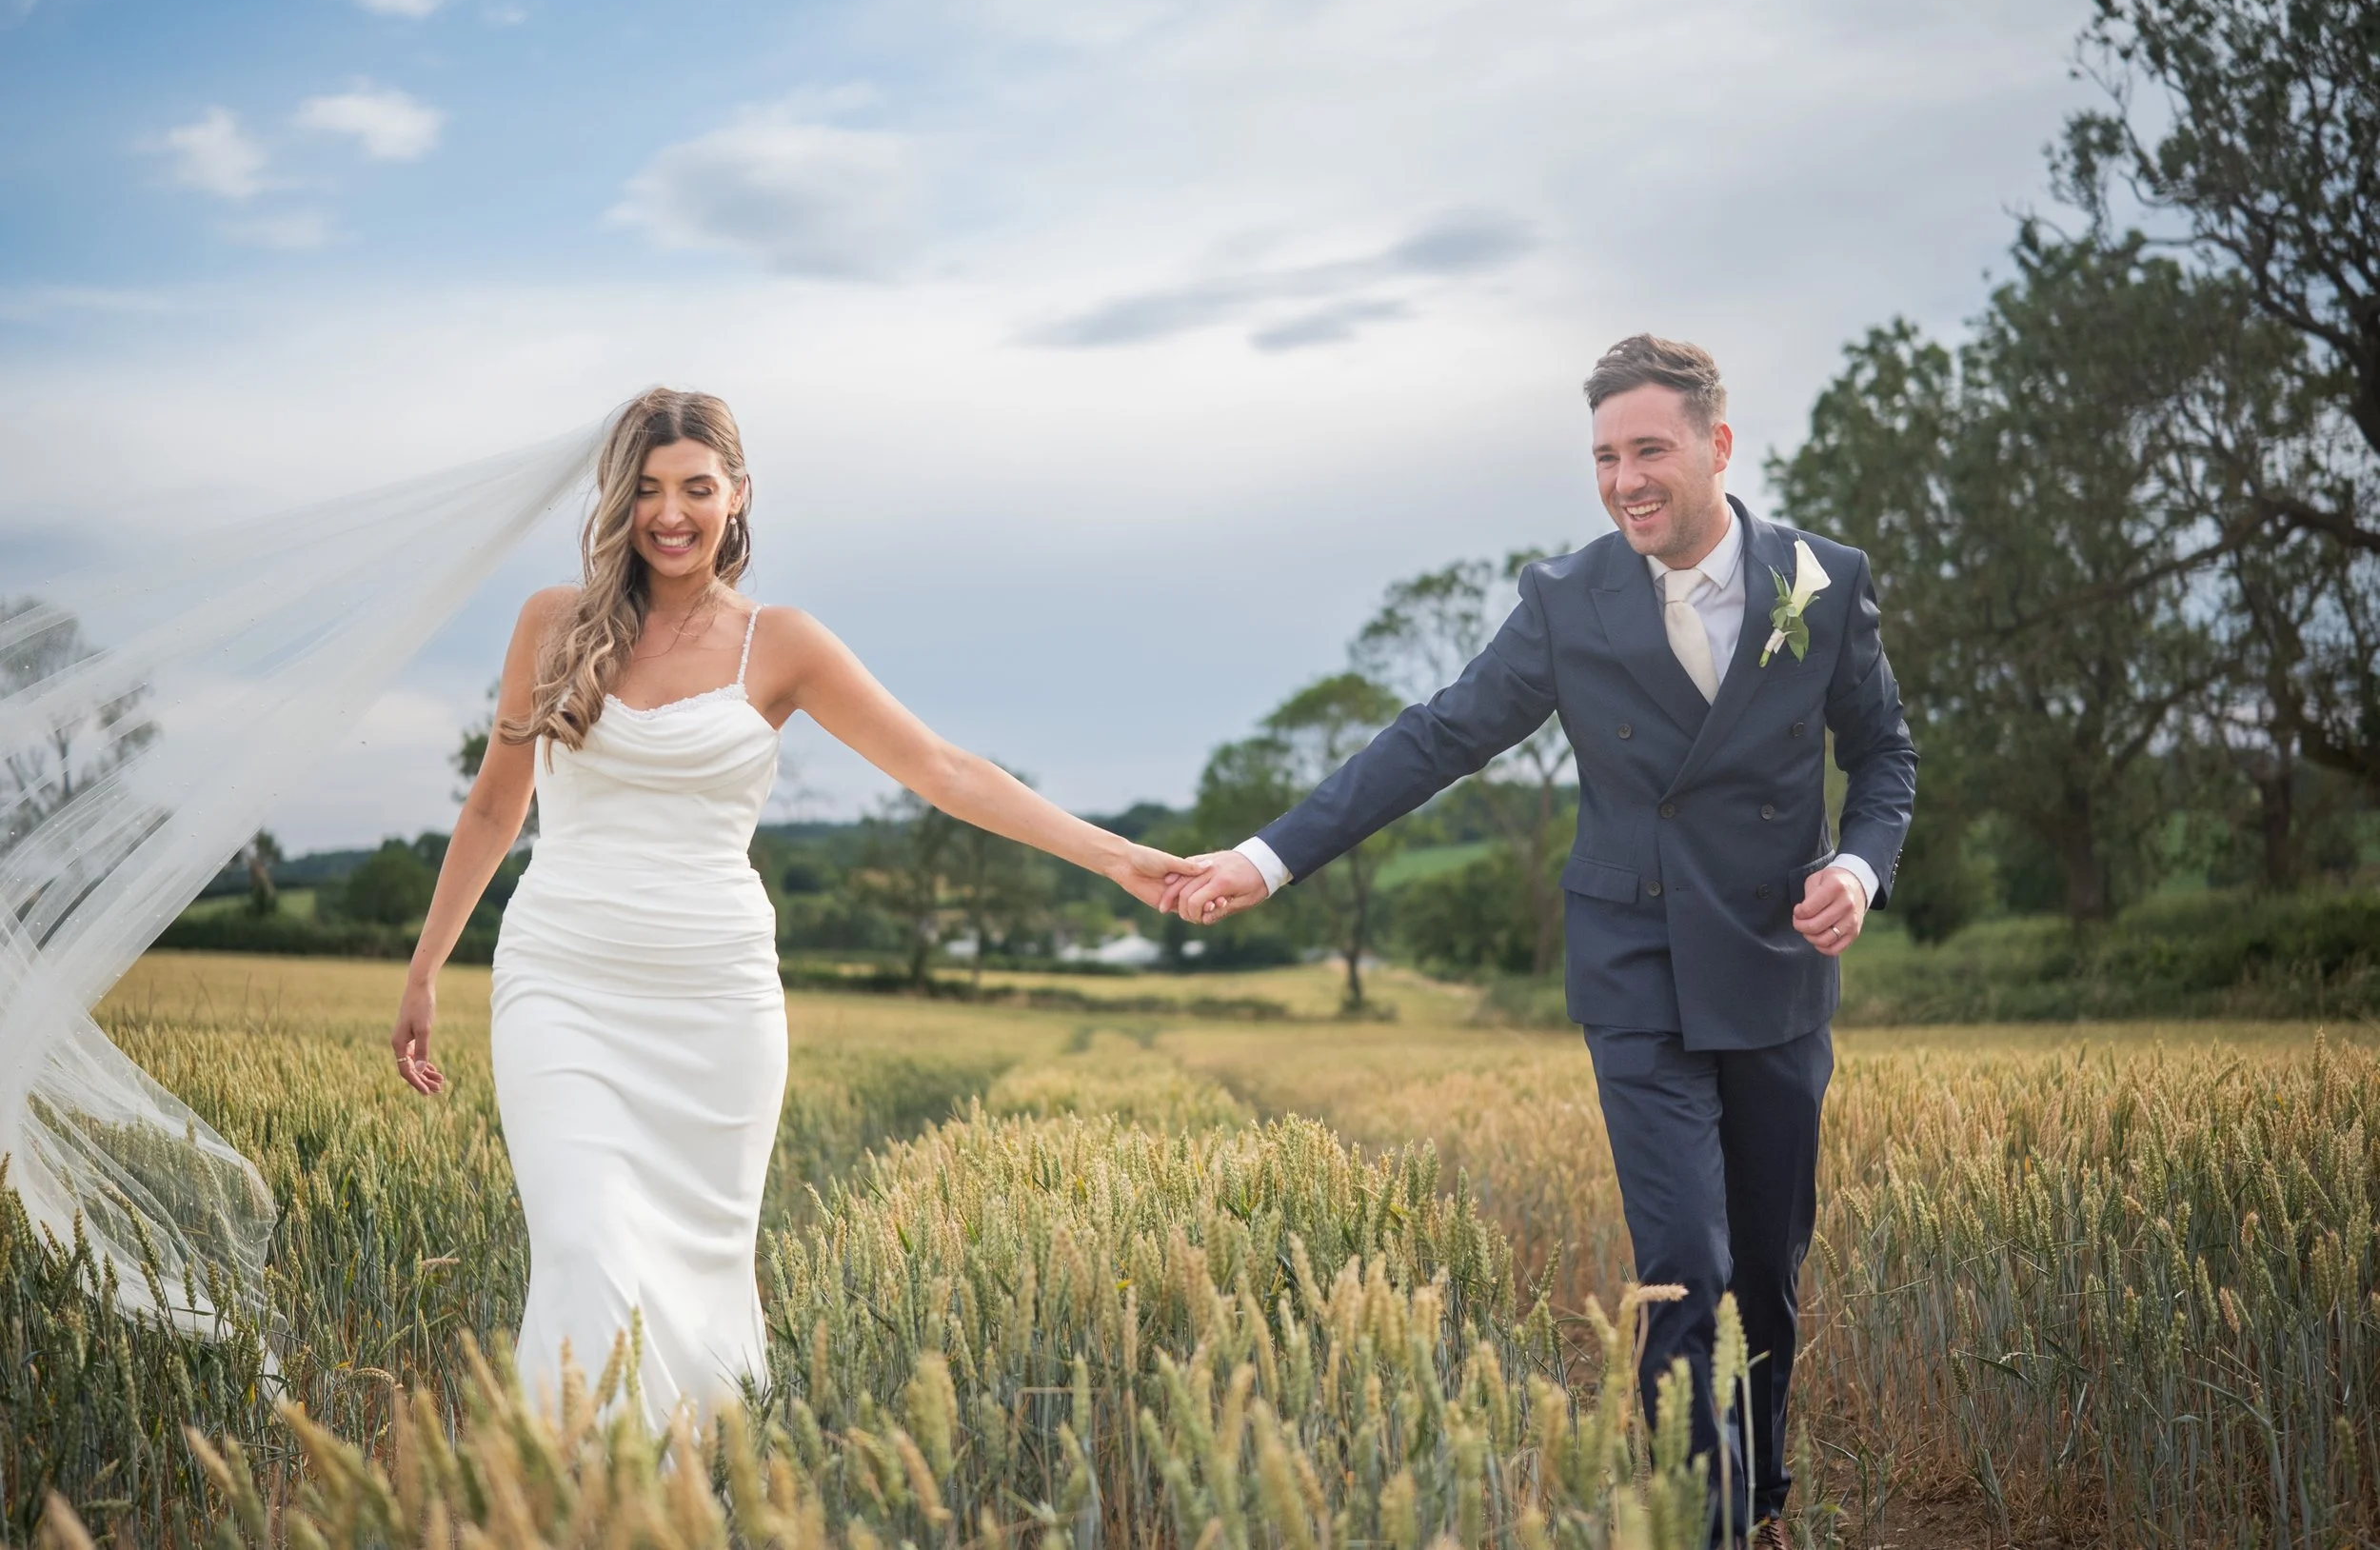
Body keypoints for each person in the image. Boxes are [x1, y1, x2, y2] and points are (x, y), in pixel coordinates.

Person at [1164, 335, 1916, 1547]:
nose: (1623, 480)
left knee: (1767, 1269)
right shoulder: (1567, 601)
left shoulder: (1820, 582)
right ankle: (1701, 1524)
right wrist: (1266, 856)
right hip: (1636, 964)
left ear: (1716, 447)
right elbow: (1436, 736)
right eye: (1605, 456)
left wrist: (1858, 865)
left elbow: (1884, 755)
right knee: (1683, 1262)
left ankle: (1763, 1493)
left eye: (1648, 450)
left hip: (1777, 960)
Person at [393, 387, 1194, 1426]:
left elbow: (943, 768)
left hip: (715, 1000)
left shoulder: (782, 643)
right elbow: (498, 806)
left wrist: (1118, 855)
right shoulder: (550, 623)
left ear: (739, 495)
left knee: (697, 1273)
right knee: (584, 1240)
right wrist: (423, 968)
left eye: (695, 486)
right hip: (563, 979)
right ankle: (575, 1504)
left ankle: (693, 1501)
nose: (669, 513)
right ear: (615, 499)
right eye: (643, 489)